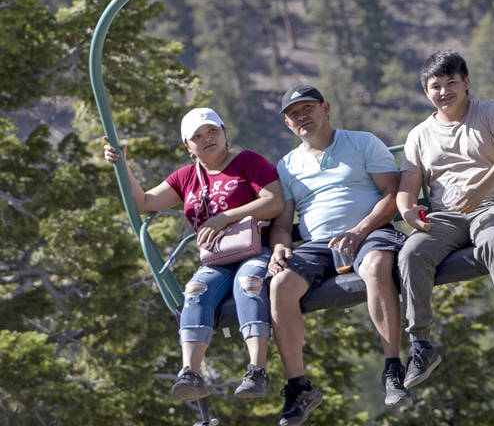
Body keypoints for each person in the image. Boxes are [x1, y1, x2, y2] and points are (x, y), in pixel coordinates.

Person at [103, 107, 282, 402]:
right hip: (216, 256)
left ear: (225, 132)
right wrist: (122, 165)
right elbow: (145, 202)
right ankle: (190, 372)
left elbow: (274, 201)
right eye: (197, 136)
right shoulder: (186, 177)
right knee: (195, 291)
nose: (207, 139)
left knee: (249, 282)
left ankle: (257, 369)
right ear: (188, 146)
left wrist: (225, 217)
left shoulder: (247, 162)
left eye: (213, 131)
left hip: (253, 246)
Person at [267, 83, 407, 426]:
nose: (302, 118)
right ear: (287, 124)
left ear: (325, 108)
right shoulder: (287, 165)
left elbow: (392, 195)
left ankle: (392, 368)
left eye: (308, 109)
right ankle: (299, 386)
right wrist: (280, 245)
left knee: (375, 267)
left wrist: (361, 230)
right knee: (279, 285)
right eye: (293, 115)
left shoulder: (362, 142)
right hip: (318, 246)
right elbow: (283, 223)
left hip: (370, 231)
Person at [395, 50, 494, 389]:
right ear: (426, 92)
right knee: (411, 253)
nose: (444, 92)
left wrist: (481, 188)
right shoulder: (420, 135)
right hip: (447, 217)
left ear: (466, 82)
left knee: (492, 239)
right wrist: (407, 210)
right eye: (435, 86)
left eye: (451, 83)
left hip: (493, 205)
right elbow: (407, 187)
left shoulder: (488, 111)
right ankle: (421, 345)